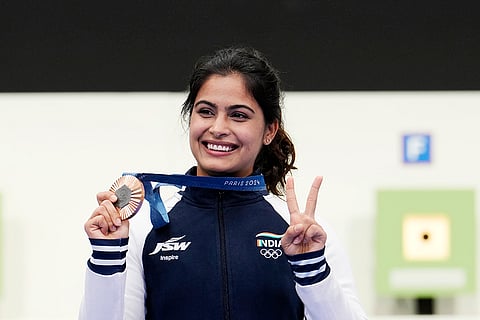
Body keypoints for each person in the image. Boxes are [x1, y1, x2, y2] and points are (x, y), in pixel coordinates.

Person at [79, 47, 367, 319]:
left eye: (238, 115)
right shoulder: (146, 227)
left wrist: (312, 272)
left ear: (269, 130)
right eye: (205, 111)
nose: (218, 128)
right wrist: (106, 261)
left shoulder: (302, 234)